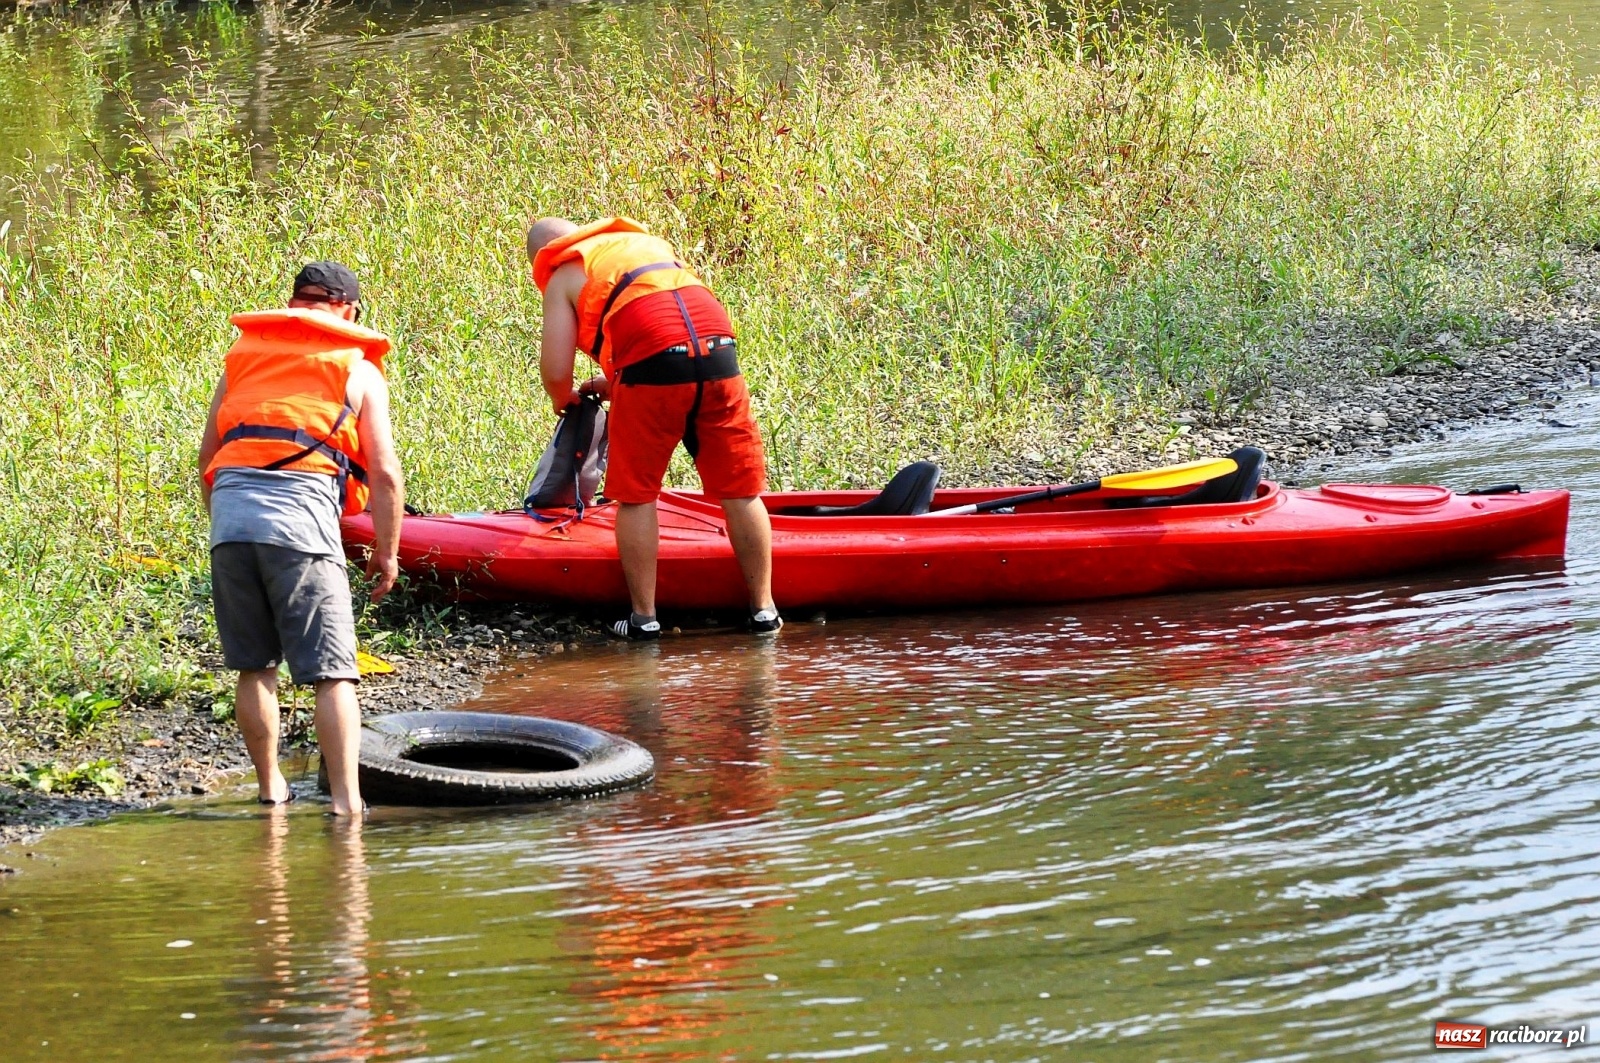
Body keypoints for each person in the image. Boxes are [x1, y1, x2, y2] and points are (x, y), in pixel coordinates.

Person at [197, 262, 404, 815]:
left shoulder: (242, 361)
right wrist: (387, 552)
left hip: (231, 523)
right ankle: (347, 805)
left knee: (255, 666)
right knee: (333, 672)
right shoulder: (358, 369)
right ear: (350, 312)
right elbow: (383, 473)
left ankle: (271, 792)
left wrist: (225, 527)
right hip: (300, 529)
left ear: (292, 306)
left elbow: (206, 459)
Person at [526, 216, 780, 640]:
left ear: (543, 258)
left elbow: (556, 370)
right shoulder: (640, 247)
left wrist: (561, 398)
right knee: (740, 489)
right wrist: (620, 382)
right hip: (717, 346)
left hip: (654, 358)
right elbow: (675, 327)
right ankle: (764, 611)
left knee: (636, 495)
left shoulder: (562, 273)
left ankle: (644, 619)